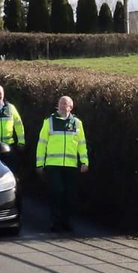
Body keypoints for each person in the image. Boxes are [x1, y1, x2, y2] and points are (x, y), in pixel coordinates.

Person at [36, 95, 88, 232]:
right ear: (57, 106)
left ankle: (66, 222)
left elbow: (82, 144)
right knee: (57, 192)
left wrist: (84, 161)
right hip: (53, 165)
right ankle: (55, 222)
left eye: (66, 104)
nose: (63, 106)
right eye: (61, 103)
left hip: (71, 165)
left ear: (71, 107)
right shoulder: (49, 121)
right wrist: (39, 163)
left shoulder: (77, 123)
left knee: (69, 195)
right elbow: (42, 143)